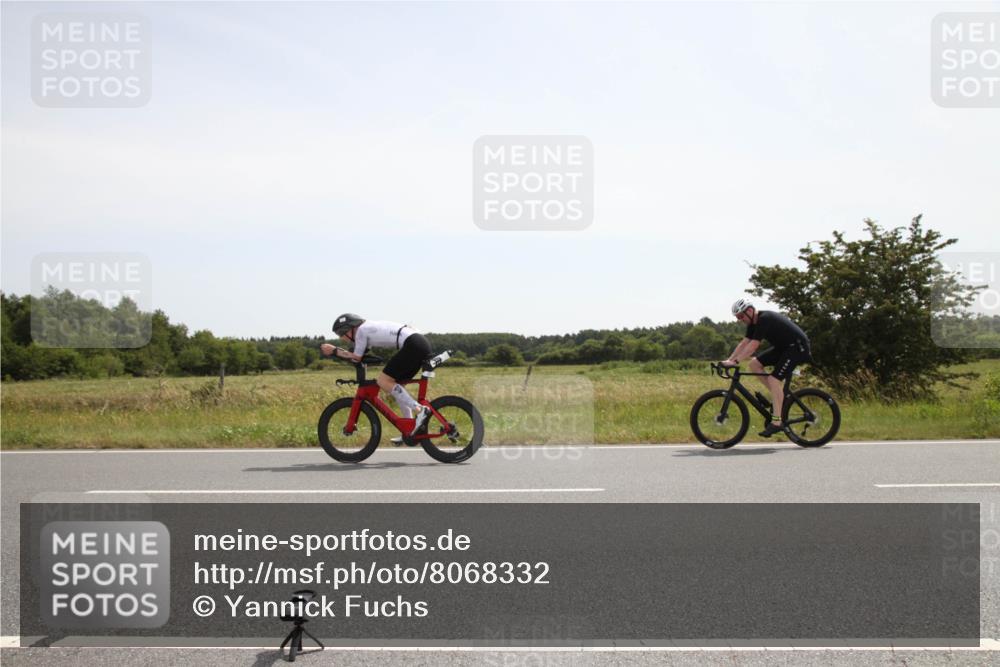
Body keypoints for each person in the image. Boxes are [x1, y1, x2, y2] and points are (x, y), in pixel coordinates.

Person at [320, 314, 433, 438]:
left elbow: (356, 357)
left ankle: (420, 410)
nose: (342, 338)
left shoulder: (361, 331)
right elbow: (359, 356)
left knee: (383, 381)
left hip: (413, 344)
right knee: (398, 387)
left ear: (349, 329)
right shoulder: (367, 328)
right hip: (419, 342)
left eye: (341, 334)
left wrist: (334, 350)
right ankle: (410, 430)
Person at [722, 298, 812, 437]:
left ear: (750, 311)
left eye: (741, 316)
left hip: (797, 348)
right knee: (754, 364)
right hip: (784, 348)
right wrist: (729, 360)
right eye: (737, 317)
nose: (739, 319)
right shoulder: (753, 323)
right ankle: (779, 397)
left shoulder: (765, 319)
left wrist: (736, 361)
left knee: (773, 380)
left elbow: (753, 346)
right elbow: (744, 343)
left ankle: (777, 422)